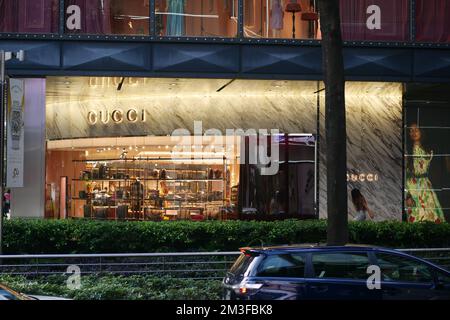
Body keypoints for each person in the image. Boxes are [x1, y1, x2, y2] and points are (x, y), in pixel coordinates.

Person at [405, 123, 446, 223]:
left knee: (431, 216)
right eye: (411, 130)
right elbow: (406, 174)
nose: (413, 132)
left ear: (421, 131)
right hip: (412, 188)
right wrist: (408, 195)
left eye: (416, 130)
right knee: (416, 217)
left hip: (425, 187)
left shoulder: (428, 149)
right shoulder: (407, 151)